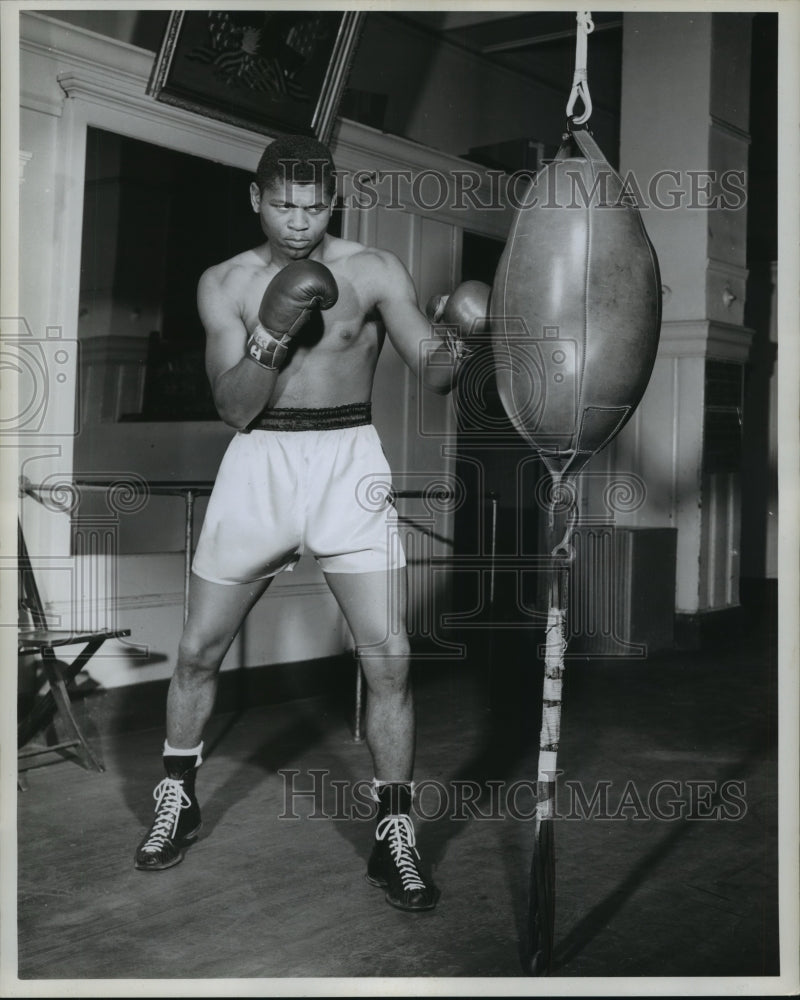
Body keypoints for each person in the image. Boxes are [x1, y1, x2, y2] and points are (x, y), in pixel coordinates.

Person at [132, 134, 489, 912]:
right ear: (255, 199)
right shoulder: (224, 283)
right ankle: (177, 795)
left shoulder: (376, 270)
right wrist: (273, 326)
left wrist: (461, 334)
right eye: (284, 205)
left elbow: (434, 377)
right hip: (260, 461)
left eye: (315, 205)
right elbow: (234, 405)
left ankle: (394, 835)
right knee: (197, 650)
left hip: (348, 464)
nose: (299, 222)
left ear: (336, 202)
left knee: (389, 659)